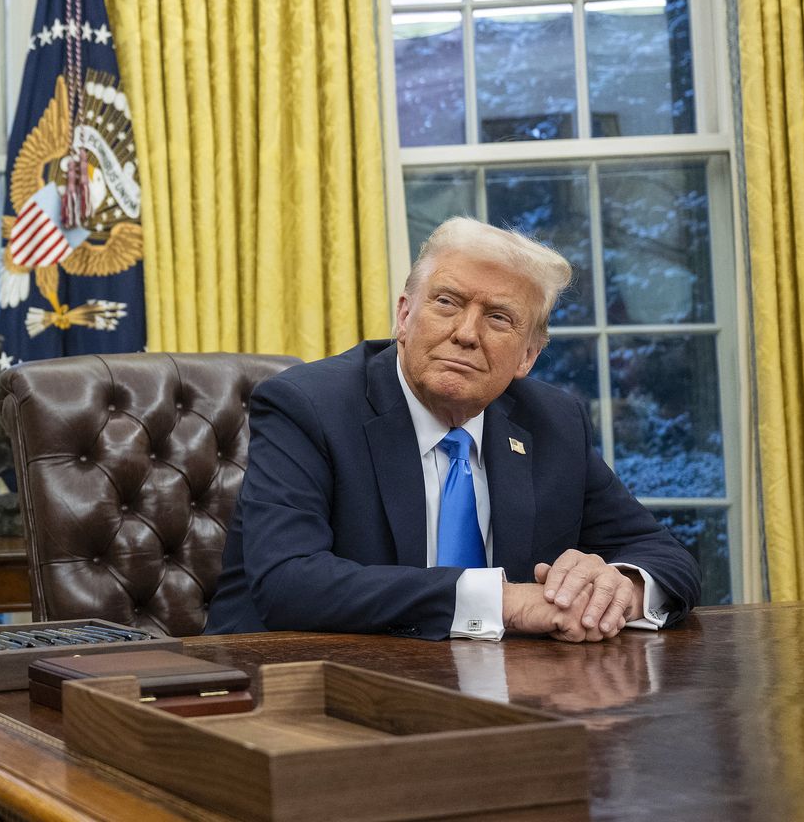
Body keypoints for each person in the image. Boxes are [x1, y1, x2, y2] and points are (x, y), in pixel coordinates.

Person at [206, 217, 699, 642]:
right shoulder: (308, 406)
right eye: (446, 302)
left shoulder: (553, 422)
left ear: (528, 355)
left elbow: (665, 556)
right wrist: (503, 602)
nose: (465, 333)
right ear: (404, 315)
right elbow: (289, 583)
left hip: (499, 696)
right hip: (297, 692)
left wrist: (618, 589)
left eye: (499, 318)